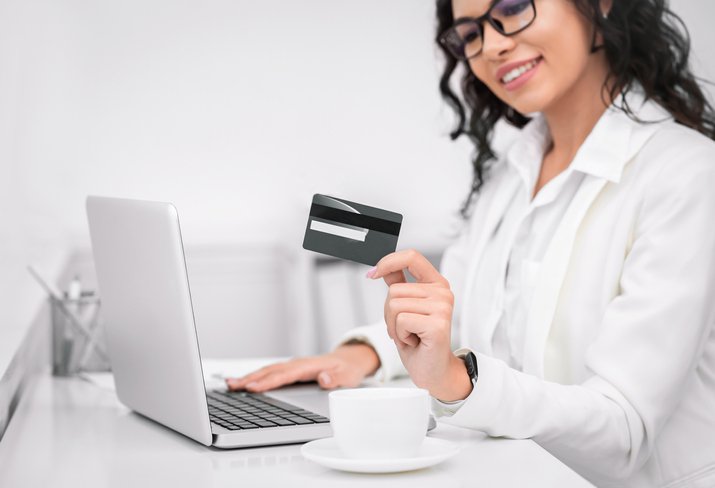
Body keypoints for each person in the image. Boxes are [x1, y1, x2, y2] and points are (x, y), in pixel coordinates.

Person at [228, 0, 715, 485]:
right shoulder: (510, 173)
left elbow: (624, 430)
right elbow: (455, 311)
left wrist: (460, 380)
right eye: (470, 33)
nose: (494, 46)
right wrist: (359, 356)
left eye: (513, 8)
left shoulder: (688, 174)